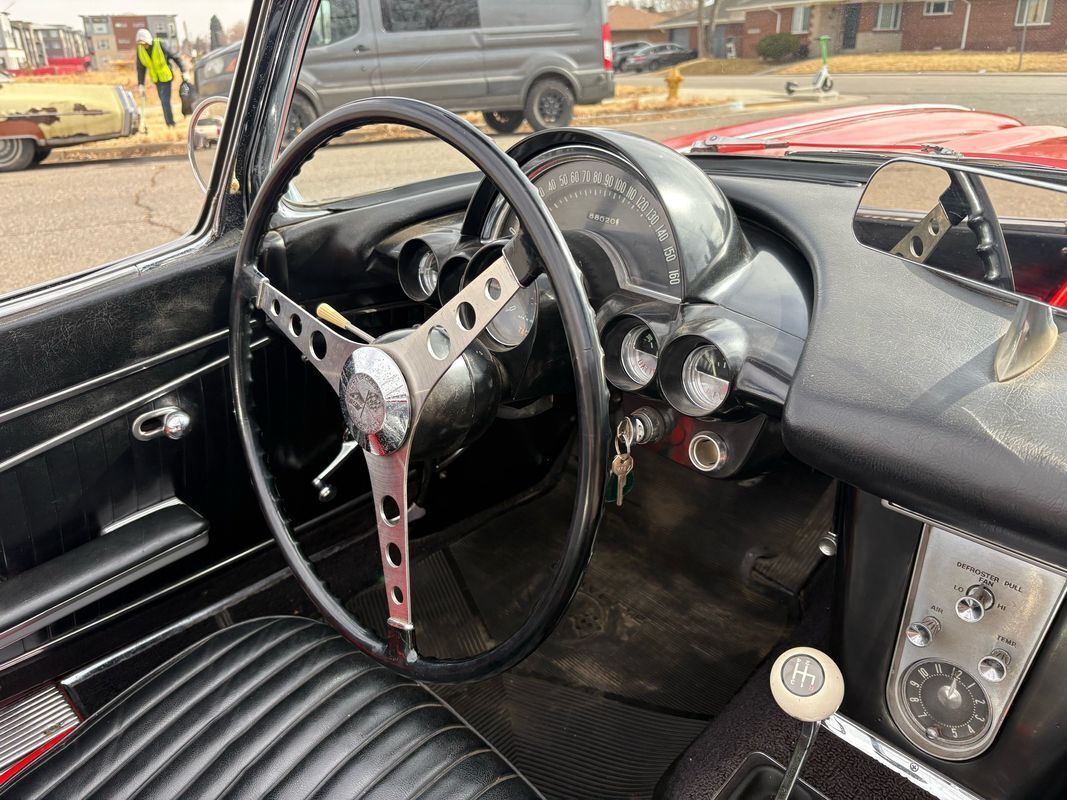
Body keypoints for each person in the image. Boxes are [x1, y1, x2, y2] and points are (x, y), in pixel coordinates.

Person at [135, 28, 188, 128]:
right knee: (164, 100)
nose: (143, 45)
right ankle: (170, 122)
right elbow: (140, 68)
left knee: (164, 100)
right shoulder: (140, 50)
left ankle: (170, 124)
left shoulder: (160, 44)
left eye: (144, 43)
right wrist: (141, 84)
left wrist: (184, 71)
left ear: (148, 40)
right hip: (156, 79)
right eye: (141, 44)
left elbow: (176, 57)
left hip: (166, 77)